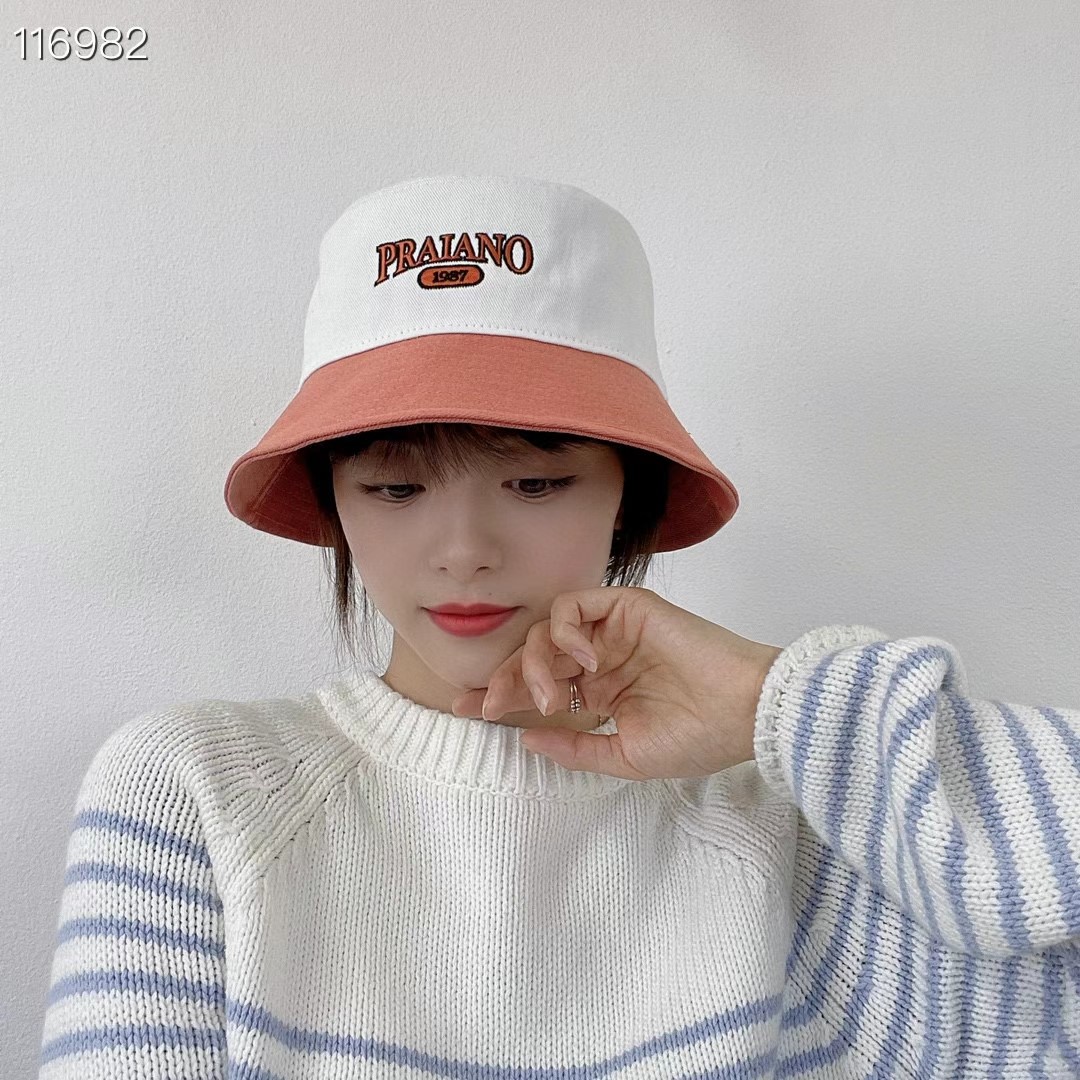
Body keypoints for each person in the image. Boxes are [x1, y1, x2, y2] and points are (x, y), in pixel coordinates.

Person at [37, 175, 1078, 1078]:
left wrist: (774, 703)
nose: (463, 550)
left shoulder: (790, 816)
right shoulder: (199, 793)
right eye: (395, 487)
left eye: (535, 483)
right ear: (334, 503)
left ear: (629, 497)